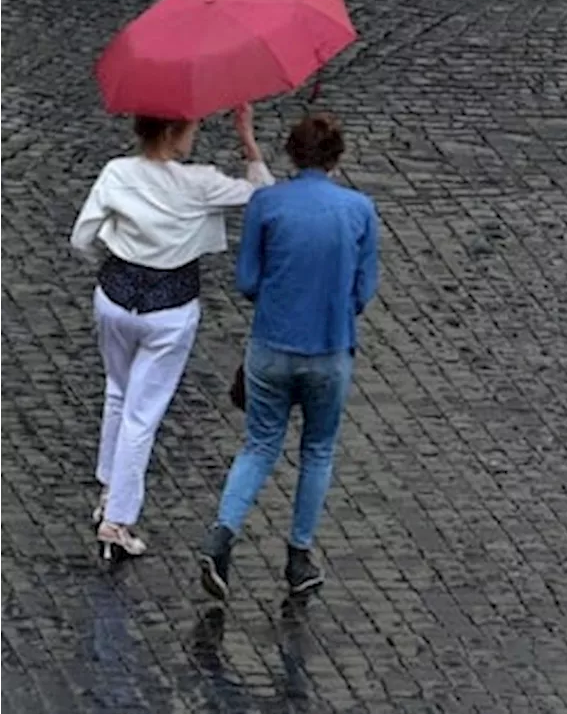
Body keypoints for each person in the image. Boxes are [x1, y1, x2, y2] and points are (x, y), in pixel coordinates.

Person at [70, 105, 272, 559]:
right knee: (143, 413)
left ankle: (108, 487)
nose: (196, 132)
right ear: (173, 129)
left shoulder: (117, 172)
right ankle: (118, 519)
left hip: (115, 298)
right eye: (193, 125)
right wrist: (248, 141)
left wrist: (107, 265)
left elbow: (81, 239)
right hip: (170, 310)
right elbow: (265, 196)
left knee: (118, 393)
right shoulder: (199, 183)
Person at [199, 113, 379, 599]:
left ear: (291, 154)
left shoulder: (266, 204)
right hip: (329, 349)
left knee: (259, 446)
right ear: (337, 158)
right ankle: (299, 557)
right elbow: (363, 292)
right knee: (317, 450)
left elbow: (247, 282)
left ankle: (221, 536)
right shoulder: (360, 210)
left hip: (271, 347)